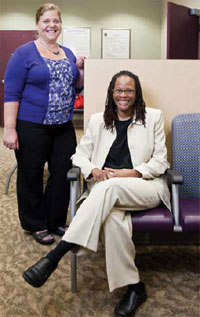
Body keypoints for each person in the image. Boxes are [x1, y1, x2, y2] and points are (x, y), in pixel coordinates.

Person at [22, 70, 171, 316]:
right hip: (106, 192)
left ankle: (58, 253)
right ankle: (135, 287)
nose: (123, 95)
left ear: (137, 93)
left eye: (129, 90)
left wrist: (127, 174)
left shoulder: (153, 118)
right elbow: (79, 155)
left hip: (145, 187)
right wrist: (93, 170)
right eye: (119, 90)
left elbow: (160, 162)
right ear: (112, 93)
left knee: (109, 186)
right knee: (113, 220)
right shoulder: (97, 120)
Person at [3, 3, 86, 245]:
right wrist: (9, 128)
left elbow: (78, 86)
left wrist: (79, 68)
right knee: (31, 174)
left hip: (63, 126)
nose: (52, 25)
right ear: (37, 26)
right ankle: (36, 223)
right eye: (46, 21)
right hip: (31, 125)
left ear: (61, 25)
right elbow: (11, 92)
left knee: (63, 173)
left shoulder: (68, 53)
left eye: (56, 21)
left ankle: (55, 220)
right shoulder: (24, 53)